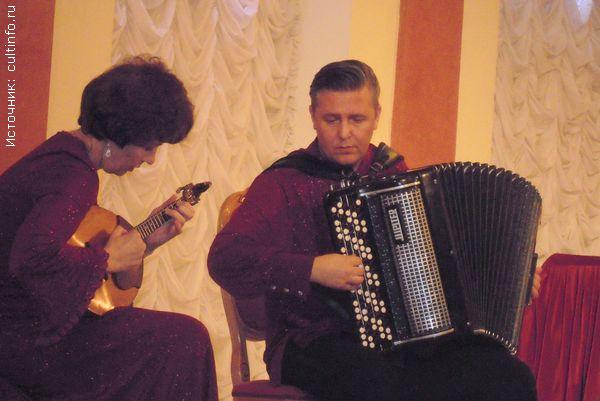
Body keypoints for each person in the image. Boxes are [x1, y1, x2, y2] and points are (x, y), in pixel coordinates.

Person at [208, 59, 539, 401]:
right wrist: (313, 268)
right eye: (332, 119)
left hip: (399, 341)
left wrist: (511, 278)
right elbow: (225, 259)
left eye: (357, 119)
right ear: (312, 116)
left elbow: (436, 260)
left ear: (376, 115)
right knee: (379, 381)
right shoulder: (283, 182)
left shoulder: (392, 173)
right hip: (309, 340)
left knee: (506, 375)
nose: (344, 133)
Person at [0, 56, 217, 401]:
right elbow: (30, 261)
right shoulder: (74, 178)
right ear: (121, 134)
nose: (150, 159)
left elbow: (57, 253)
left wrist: (145, 242)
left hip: (19, 334)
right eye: (149, 147)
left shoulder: (61, 154)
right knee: (184, 339)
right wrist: (106, 260)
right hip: (22, 345)